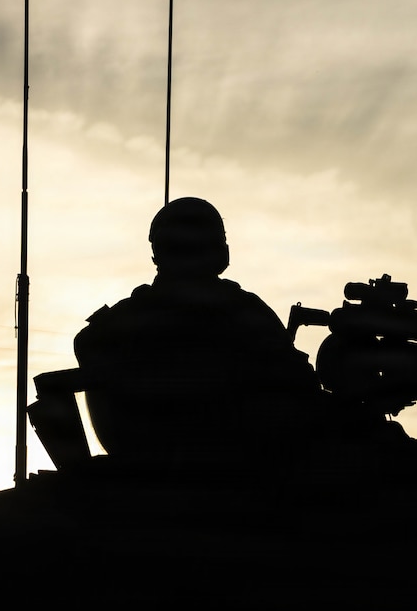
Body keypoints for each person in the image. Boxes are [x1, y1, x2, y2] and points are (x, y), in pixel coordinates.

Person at [75, 197, 324, 471]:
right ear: (219, 250)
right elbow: (303, 388)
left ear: (159, 250)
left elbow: (86, 348)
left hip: (145, 465)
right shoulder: (246, 313)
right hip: (233, 470)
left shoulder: (121, 320)